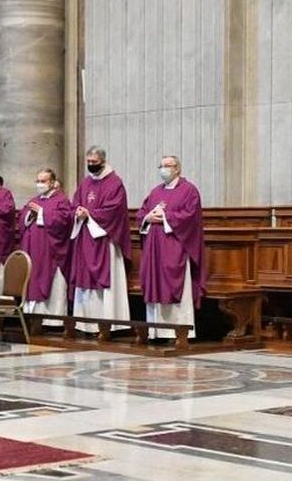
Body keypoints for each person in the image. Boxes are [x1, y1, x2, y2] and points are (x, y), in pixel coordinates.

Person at [136, 155, 204, 342]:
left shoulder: (189, 191)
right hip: (154, 248)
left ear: (178, 169)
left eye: (168, 165)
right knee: (155, 285)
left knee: (175, 285)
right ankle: (155, 331)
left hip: (175, 247)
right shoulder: (155, 191)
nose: (164, 169)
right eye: (161, 165)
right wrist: (147, 218)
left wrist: (165, 217)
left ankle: (178, 332)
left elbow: (190, 216)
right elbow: (142, 212)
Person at [69, 146, 132, 333]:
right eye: (88, 162)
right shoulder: (85, 183)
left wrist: (89, 214)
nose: (90, 165)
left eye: (94, 163)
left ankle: (108, 324)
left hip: (105, 239)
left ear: (103, 161)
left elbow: (114, 211)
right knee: (85, 278)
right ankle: (85, 323)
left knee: (105, 279)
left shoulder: (115, 183)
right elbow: (75, 203)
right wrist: (78, 212)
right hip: (85, 237)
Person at [19, 169, 73, 317]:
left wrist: (42, 214)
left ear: (52, 182)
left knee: (53, 283)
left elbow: (65, 221)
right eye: (38, 181)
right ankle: (33, 316)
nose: (40, 184)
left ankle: (53, 319)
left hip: (50, 252)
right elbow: (22, 218)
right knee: (33, 279)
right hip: (33, 251)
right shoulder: (34, 200)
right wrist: (30, 215)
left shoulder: (61, 200)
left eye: (43, 181)